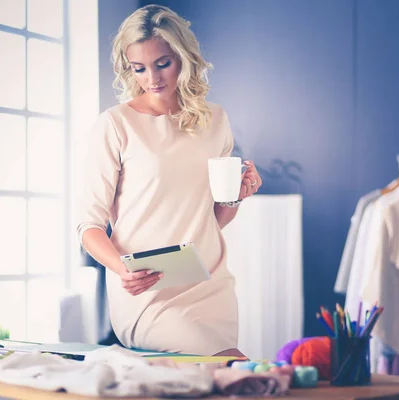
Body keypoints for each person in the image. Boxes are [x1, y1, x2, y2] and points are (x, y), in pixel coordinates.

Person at [75, 4, 262, 356]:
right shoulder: (115, 125)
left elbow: (214, 218)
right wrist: (122, 270)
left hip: (209, 284)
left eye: (163, 63)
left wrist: (236, 196)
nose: (152, 78)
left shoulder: (215, 120)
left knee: (213, 386)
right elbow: (89, 226)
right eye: (139, 68)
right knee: (237, 368)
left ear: (184, 57)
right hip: (145, 292)